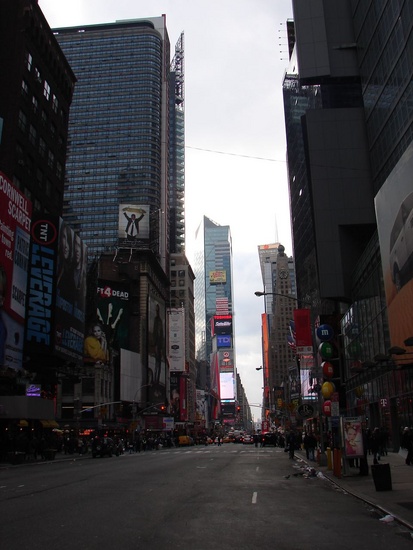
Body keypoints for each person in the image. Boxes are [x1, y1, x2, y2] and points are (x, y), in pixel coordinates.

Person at [151, 303, 164, 387]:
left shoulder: (159, 320)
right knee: (157, 363)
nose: (156, 310)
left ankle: (156, 380)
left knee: (158, 363)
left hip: (159, 345)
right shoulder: (156, 320)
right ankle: (155, 380)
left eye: (157, 309)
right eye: (156, 309)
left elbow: (160, 334)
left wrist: (160, 347)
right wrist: (155, 344)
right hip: (157, 345)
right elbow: (154, 332)